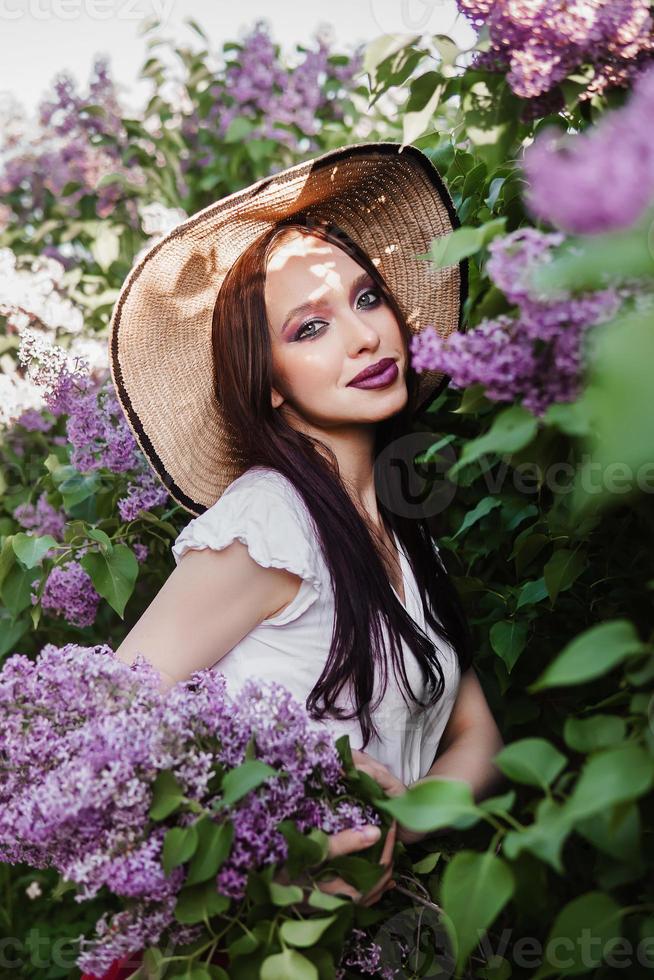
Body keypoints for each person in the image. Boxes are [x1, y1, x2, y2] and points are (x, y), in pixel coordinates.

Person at [90, 143, 504, 978]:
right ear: (270, 379)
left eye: (368, 298)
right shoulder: (269, 521)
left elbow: (479, 736)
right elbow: (101, 734)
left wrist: (396, 827)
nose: (361, 336)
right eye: (310, 326)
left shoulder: (400, 528)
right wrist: (271, 848)